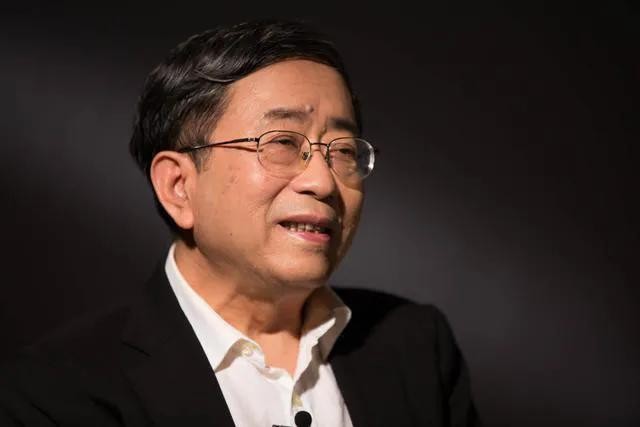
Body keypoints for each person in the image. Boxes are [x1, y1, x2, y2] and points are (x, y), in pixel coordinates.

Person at [0, 19, 480, 426]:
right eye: (283, 143)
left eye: (343, 150)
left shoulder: (415, 346)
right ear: (178, 186)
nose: (323, 182)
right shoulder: (58, 392)